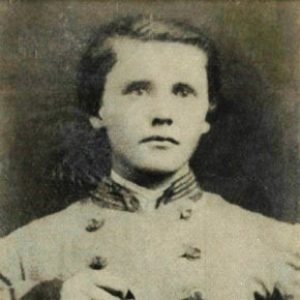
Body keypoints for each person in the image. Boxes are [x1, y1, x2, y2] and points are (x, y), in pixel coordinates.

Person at [0, 15, 299, 300]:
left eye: (183, 92)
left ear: (205, 114)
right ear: (97, 110)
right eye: (138, 91)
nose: (162, 115)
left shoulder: (276, 247)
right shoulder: (23, 253)